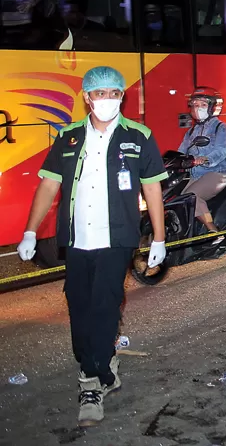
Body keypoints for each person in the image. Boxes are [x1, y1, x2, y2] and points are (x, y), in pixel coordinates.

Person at [16, 66, 167, 428]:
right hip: (77, 240)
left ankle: (91, 382)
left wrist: (159, 238)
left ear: (122, 97)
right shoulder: (68, 137)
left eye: (115, 93)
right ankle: (102, 361)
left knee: (104, 304)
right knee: (78, 307)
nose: (108, 99)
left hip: (116, 239)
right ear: (87, 97)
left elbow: (152, 188)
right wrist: (30, 231)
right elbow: (49, 186)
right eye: (100, 93)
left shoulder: (139, 136)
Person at [178, 87, 226, 233]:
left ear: (212, 108)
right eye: (195, 105)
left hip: (216, 174)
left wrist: (205, 159)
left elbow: (222, 150)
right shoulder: (191, 131)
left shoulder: (220, 127)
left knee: (192, 197)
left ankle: (212, 231)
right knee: (175, 198)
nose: (198, 108)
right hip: (195, 176)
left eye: (202, 105)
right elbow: (181, 150)